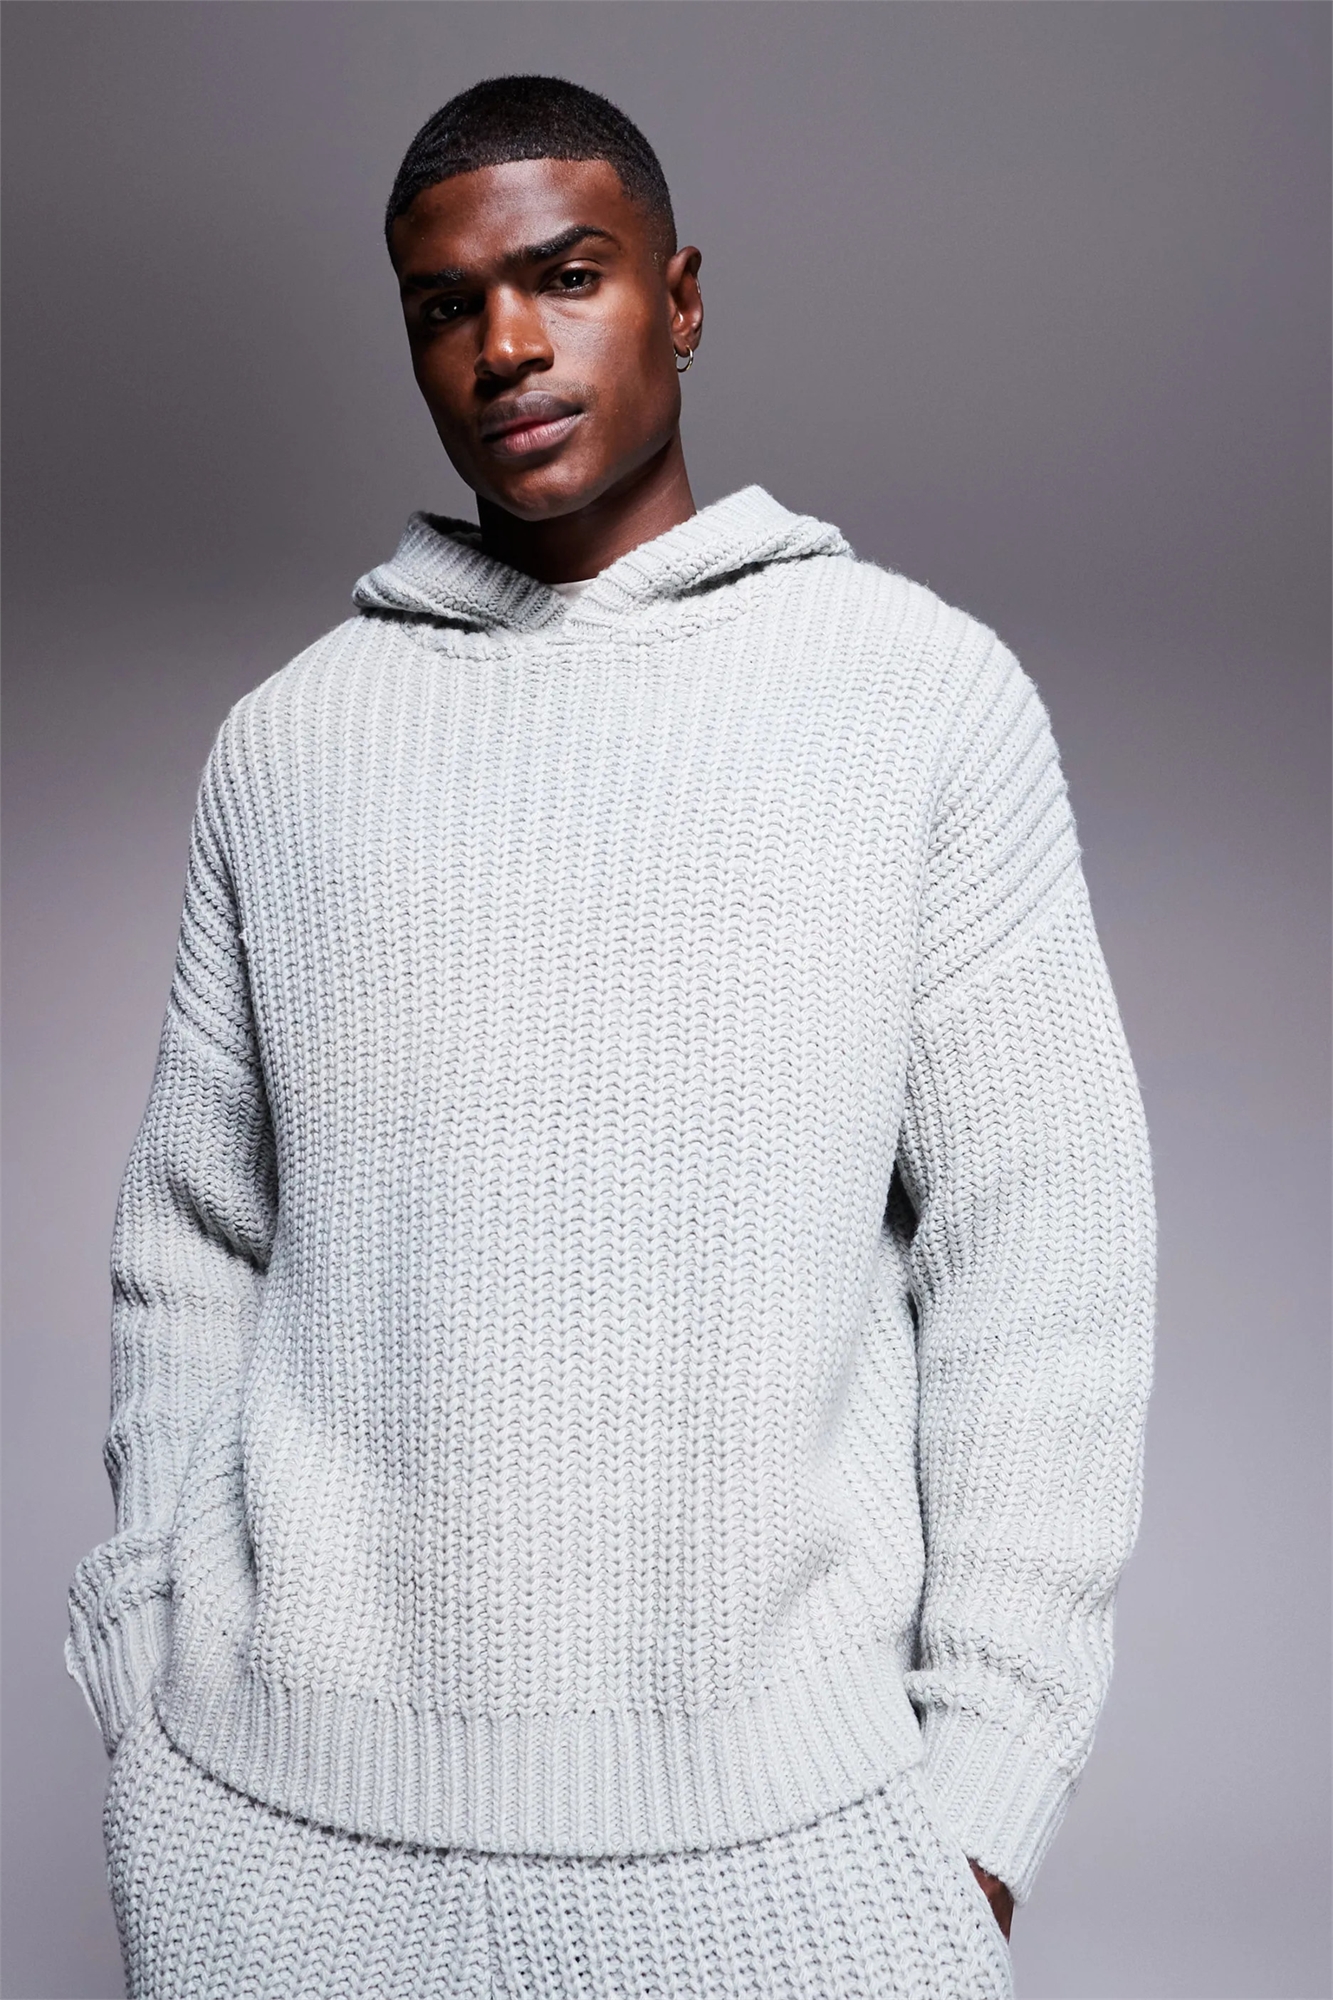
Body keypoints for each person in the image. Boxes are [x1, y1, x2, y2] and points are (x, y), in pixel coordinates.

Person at [65, 73, 1155, 2000]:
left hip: (793, 1840)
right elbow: (194, 1247)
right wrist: (150, 1691)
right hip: (272, 1847)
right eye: (444, 305)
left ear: (683, 296)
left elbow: (1045, 1256)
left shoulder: (915, 700)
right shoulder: (290, 746)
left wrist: (987, 1794)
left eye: (565, 276)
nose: (505, 344)